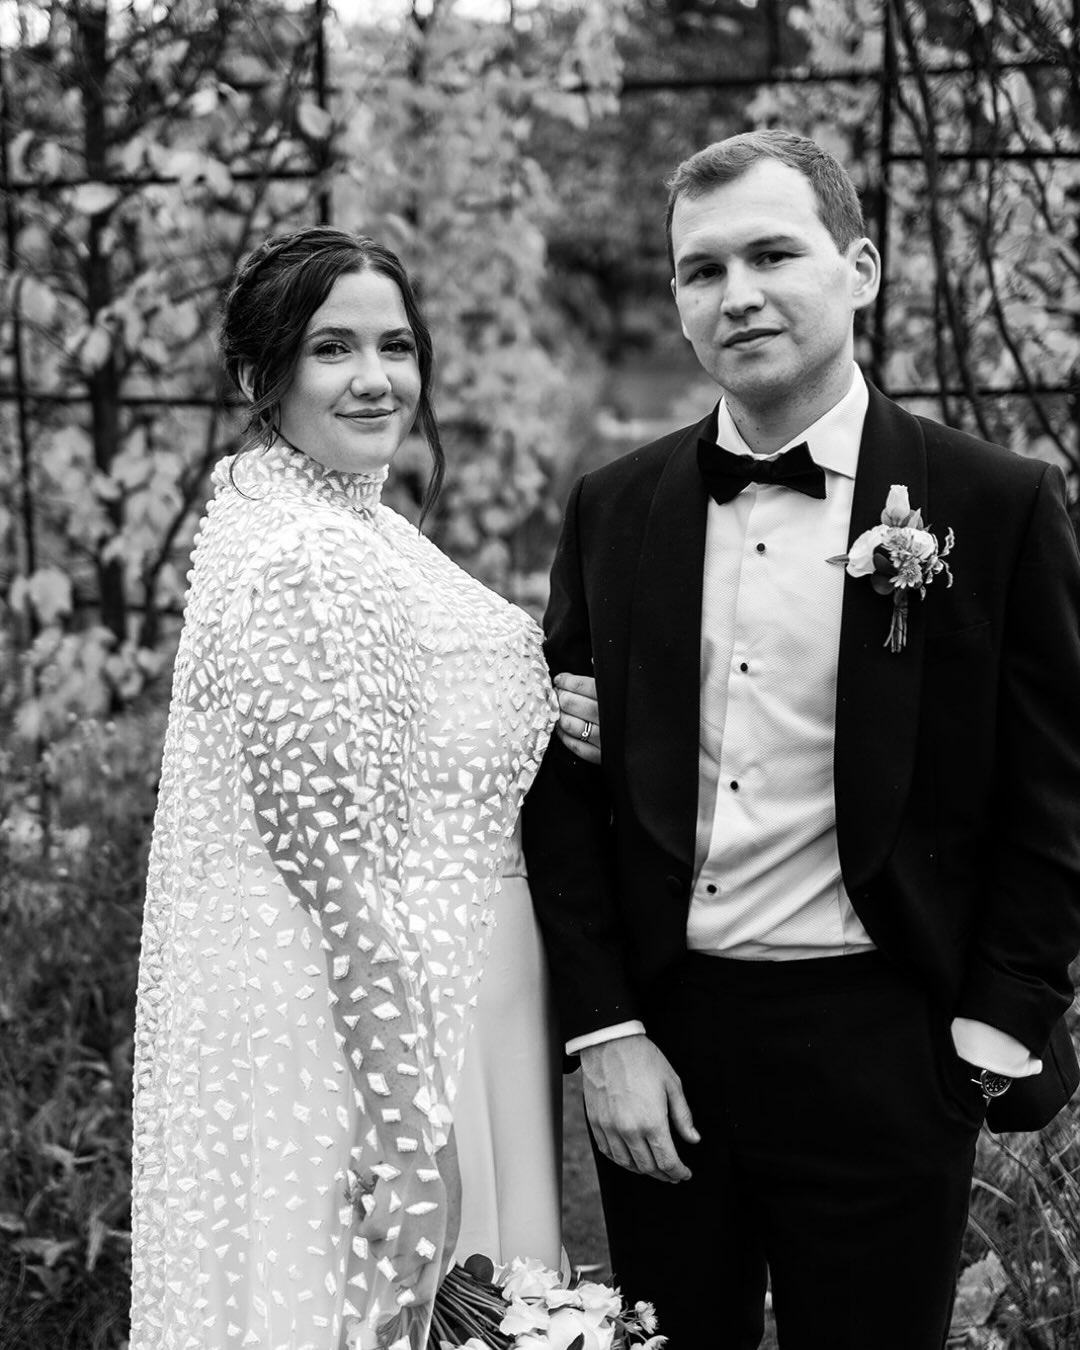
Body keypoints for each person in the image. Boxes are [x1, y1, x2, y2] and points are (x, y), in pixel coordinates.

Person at [523, 129, 1080, 1350]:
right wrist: (606, 1032)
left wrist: (988, 1035)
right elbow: (560, 789)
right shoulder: (614, 510)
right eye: (702, 270)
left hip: (889, 1043)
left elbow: (1058, 795)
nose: (739, 295)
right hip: (670, 1055)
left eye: (774, 253)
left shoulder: (994, 505)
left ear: (861, 268)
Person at [129, 226, 599, 1350]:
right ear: (262, 377)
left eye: (396, 345)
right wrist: (407, 1131)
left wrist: (559, 706)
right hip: (404, 1035)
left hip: (460, 1000)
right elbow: (336, 877)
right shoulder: (307, 557)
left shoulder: (343, 522)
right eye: (333, 348)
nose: (378, 378)